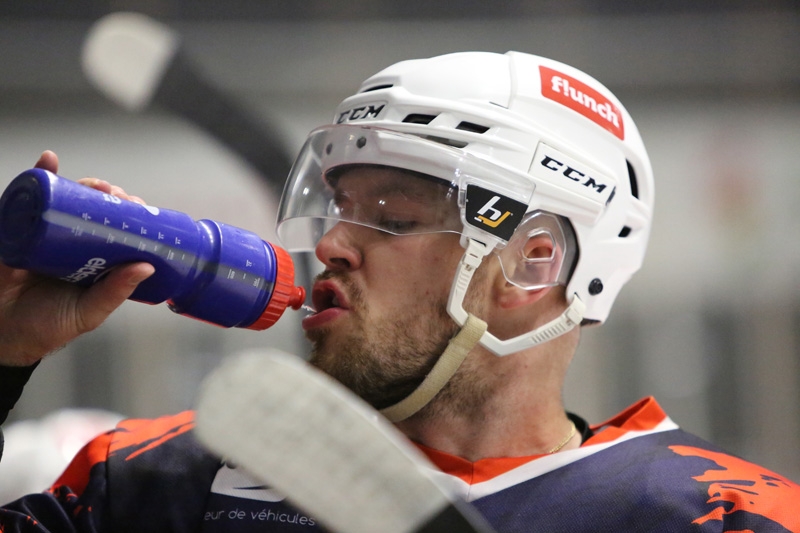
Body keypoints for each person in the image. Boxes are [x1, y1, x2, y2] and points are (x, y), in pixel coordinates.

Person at [1, 51, 799, 532]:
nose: (333, 243)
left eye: (390, 215)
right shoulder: (160, 482)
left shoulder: (721, 518)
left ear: (534, 262)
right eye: (339, 206)